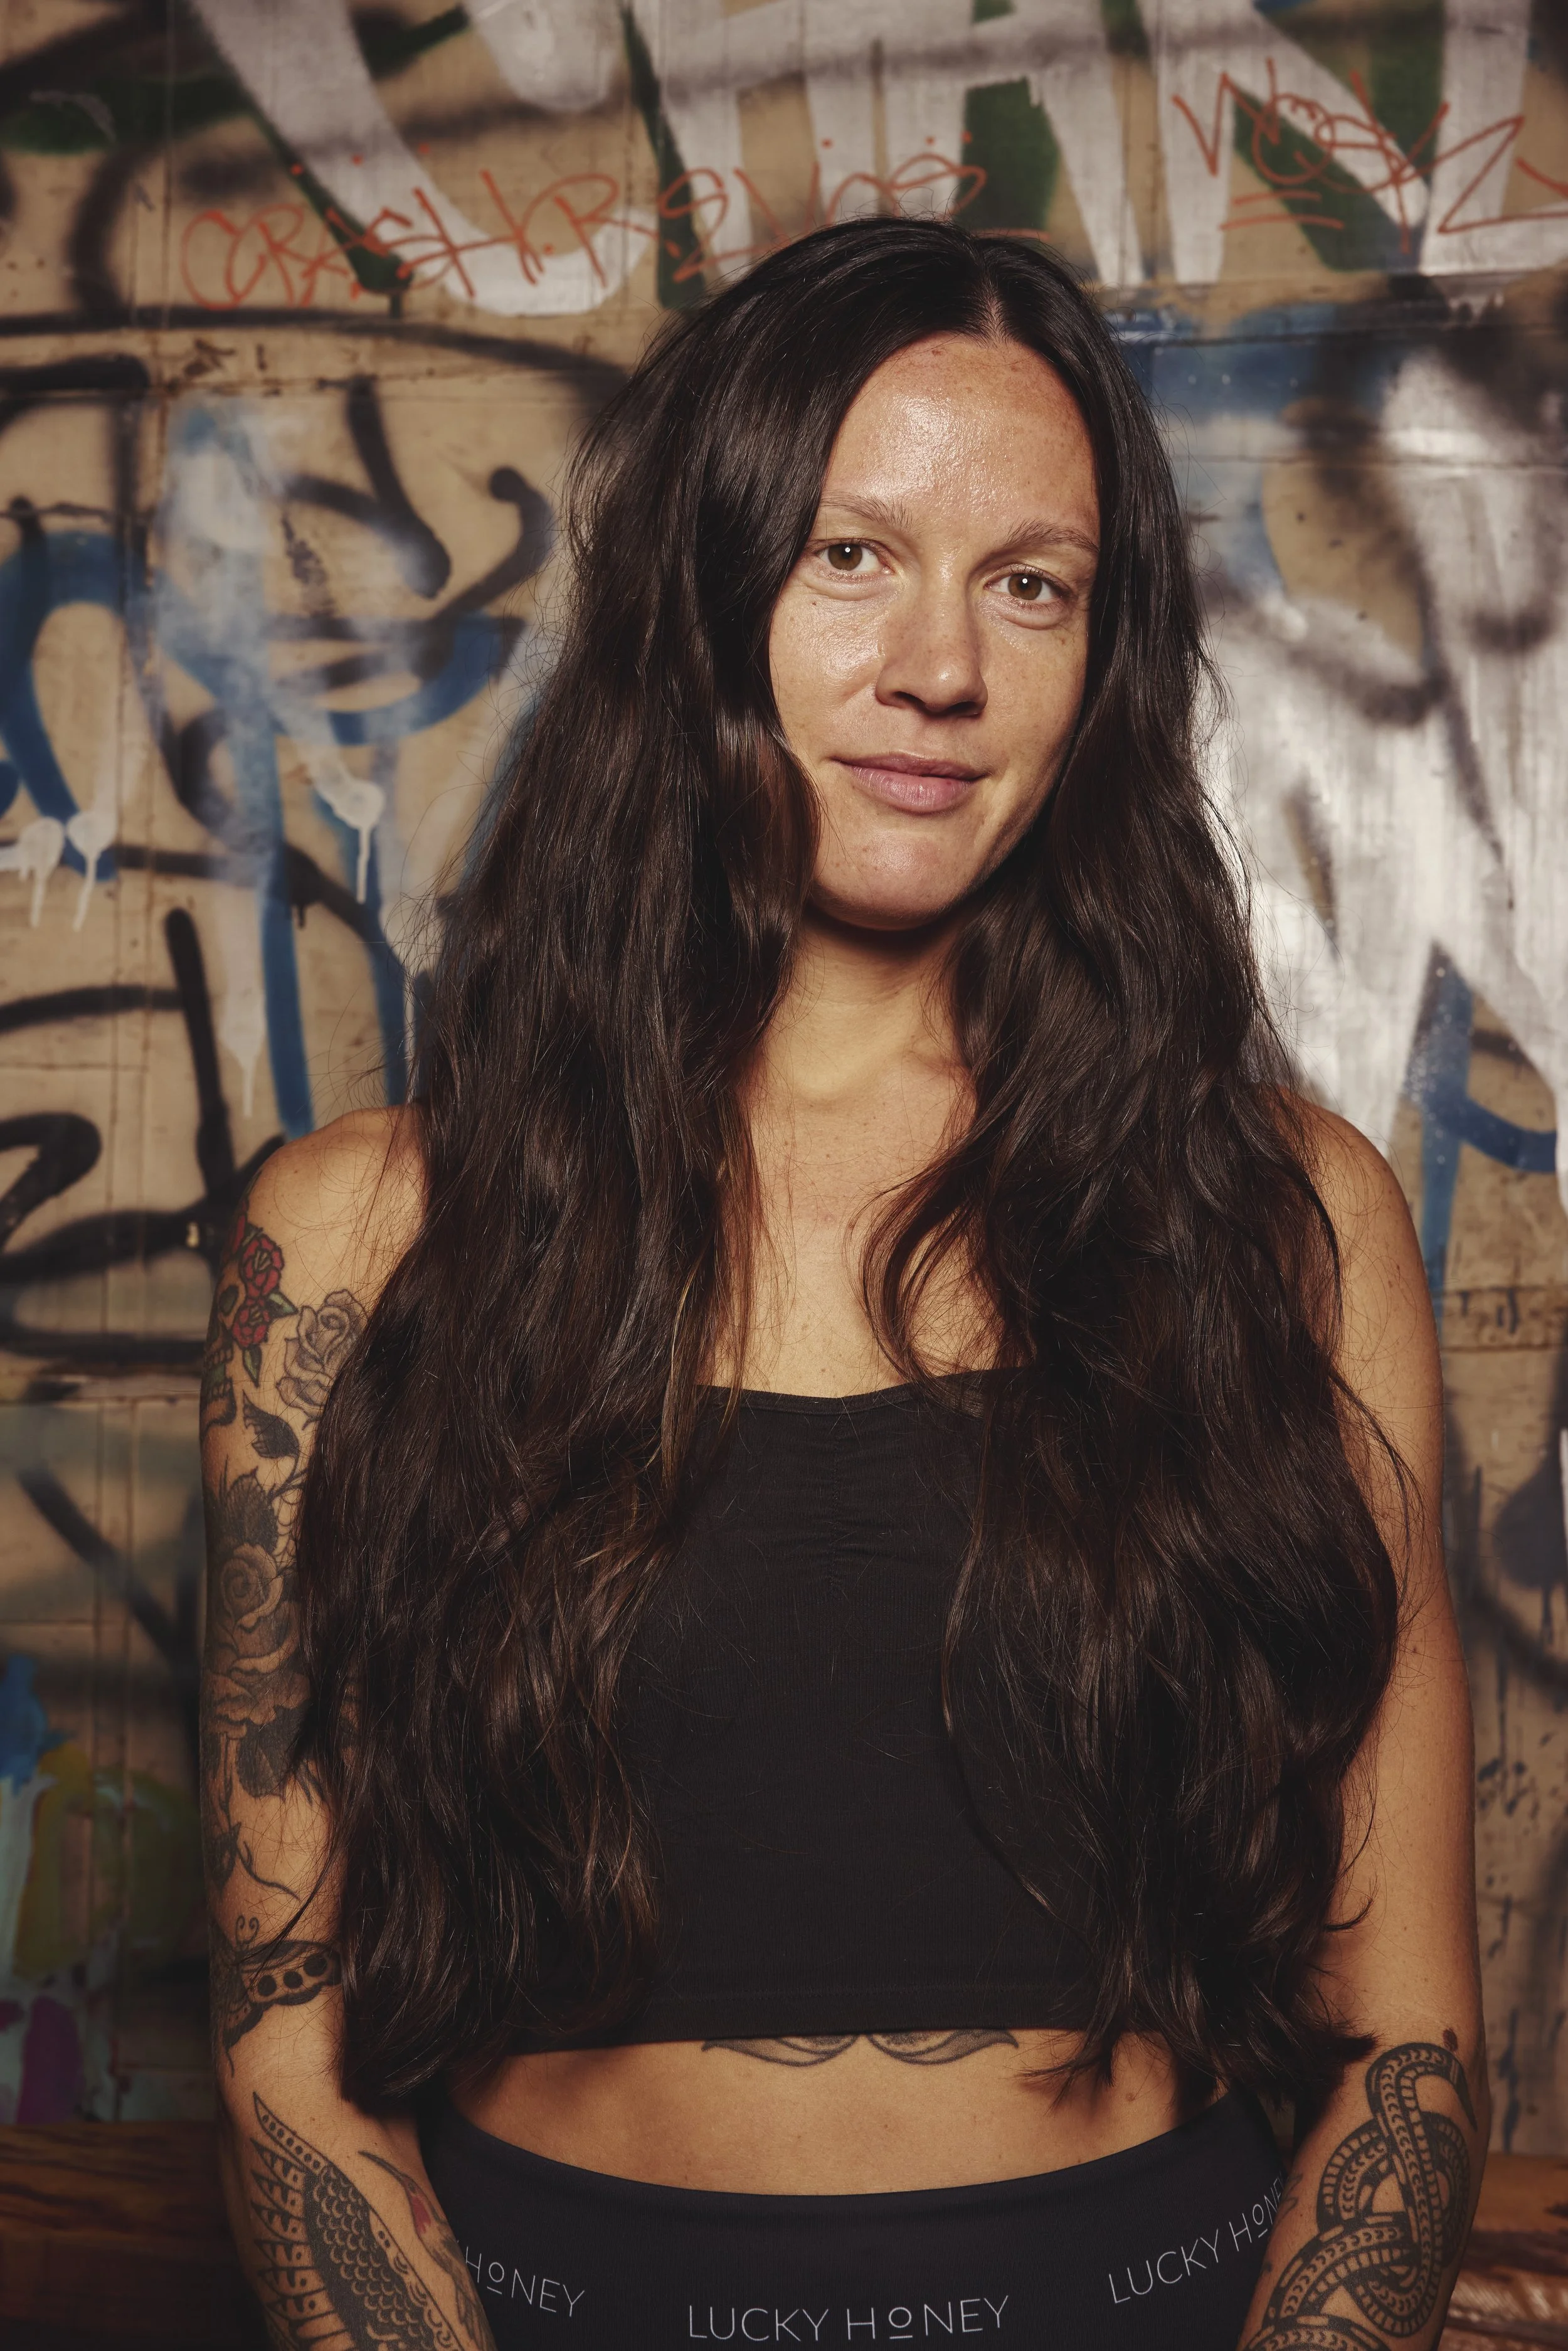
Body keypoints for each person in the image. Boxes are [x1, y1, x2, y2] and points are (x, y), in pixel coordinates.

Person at [200, 218, 1484, 2351]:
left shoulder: (1276, 1219)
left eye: (1031, 584)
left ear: (1103, 659)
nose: (941, 669)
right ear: (703, 596)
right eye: (849, 554)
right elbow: (281, 2053)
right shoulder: (349, 1240)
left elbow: (1406, 2050)